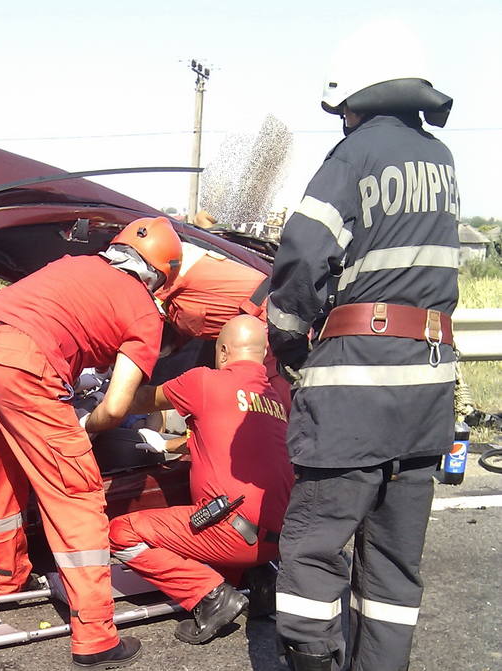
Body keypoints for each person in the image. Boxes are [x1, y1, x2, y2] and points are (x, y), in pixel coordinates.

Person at [266, 25, 459, 671]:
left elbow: (300, 251)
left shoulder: (352, 157)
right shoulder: (442, 160)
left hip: (354, 386)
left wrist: (287, 333)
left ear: (352, 100)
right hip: (427, 387)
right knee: (393, 562)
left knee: (313, 547)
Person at [0, 216, 182, 668]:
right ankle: (96, 638)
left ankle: (8, 580)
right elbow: (115, 407)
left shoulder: (74, 263)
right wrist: (84, 428)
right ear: (160, 275)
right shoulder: (143, 311)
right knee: (76, 494)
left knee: (0, 472)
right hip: (22, 360)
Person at [108, 315, 292, 645]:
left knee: (121, 532)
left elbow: (137, 400)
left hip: (232, 533)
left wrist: (102, 400)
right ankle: (260, 582)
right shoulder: (278, 396)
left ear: (222, 351)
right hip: (280, 539)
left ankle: (210, 595)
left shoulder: (204, 382)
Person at [155, 239, 292, 413]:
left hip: (271, 328)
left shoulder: (176, 267)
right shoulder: (181, 271)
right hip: (263, 325)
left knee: (267, 411)